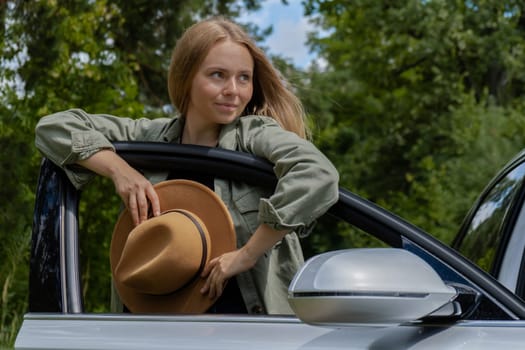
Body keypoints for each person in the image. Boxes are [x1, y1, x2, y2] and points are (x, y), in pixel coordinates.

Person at [35, 16, 339, 315]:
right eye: (218, 75)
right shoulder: (151, 138)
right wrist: (120, 170)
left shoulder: (254, 135)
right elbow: (53, 127)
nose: (233, 89)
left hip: (250, 333)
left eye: (243, 77)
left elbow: (317, 173)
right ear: (186, 77)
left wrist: (246, 255)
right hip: (150, 331)